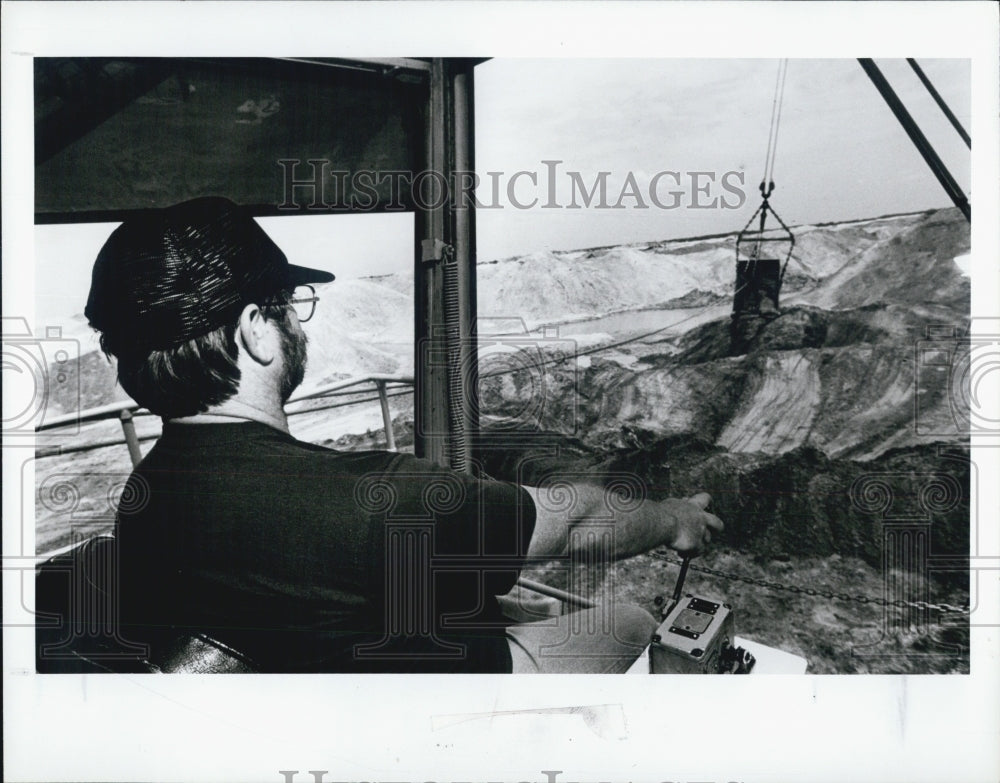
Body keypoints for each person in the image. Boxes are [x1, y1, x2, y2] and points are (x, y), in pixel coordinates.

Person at [85, 196, 724, 673]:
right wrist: (672, 519)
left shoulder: (146, 493)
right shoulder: (381, 498)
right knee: (638, 621)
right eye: (289, 310)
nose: (298, 328)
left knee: (514, 610)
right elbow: (574, 521)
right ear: (255, 329)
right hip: (456, 717)